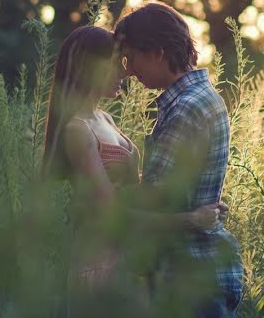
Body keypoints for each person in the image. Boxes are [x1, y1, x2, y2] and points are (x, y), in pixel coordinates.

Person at [41, 25, 226, 312]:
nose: (126, 73)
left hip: (126, 262)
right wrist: (191, 219)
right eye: (117, 64)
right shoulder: (78, 129)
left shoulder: (104, 119)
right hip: (99, 265)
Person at [114, 1, 244, 317]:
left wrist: (106, 195)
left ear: (157, 52)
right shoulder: (200, 98)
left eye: (132, 58)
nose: (129, 71)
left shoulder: (184, 108)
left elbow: (156, 199)